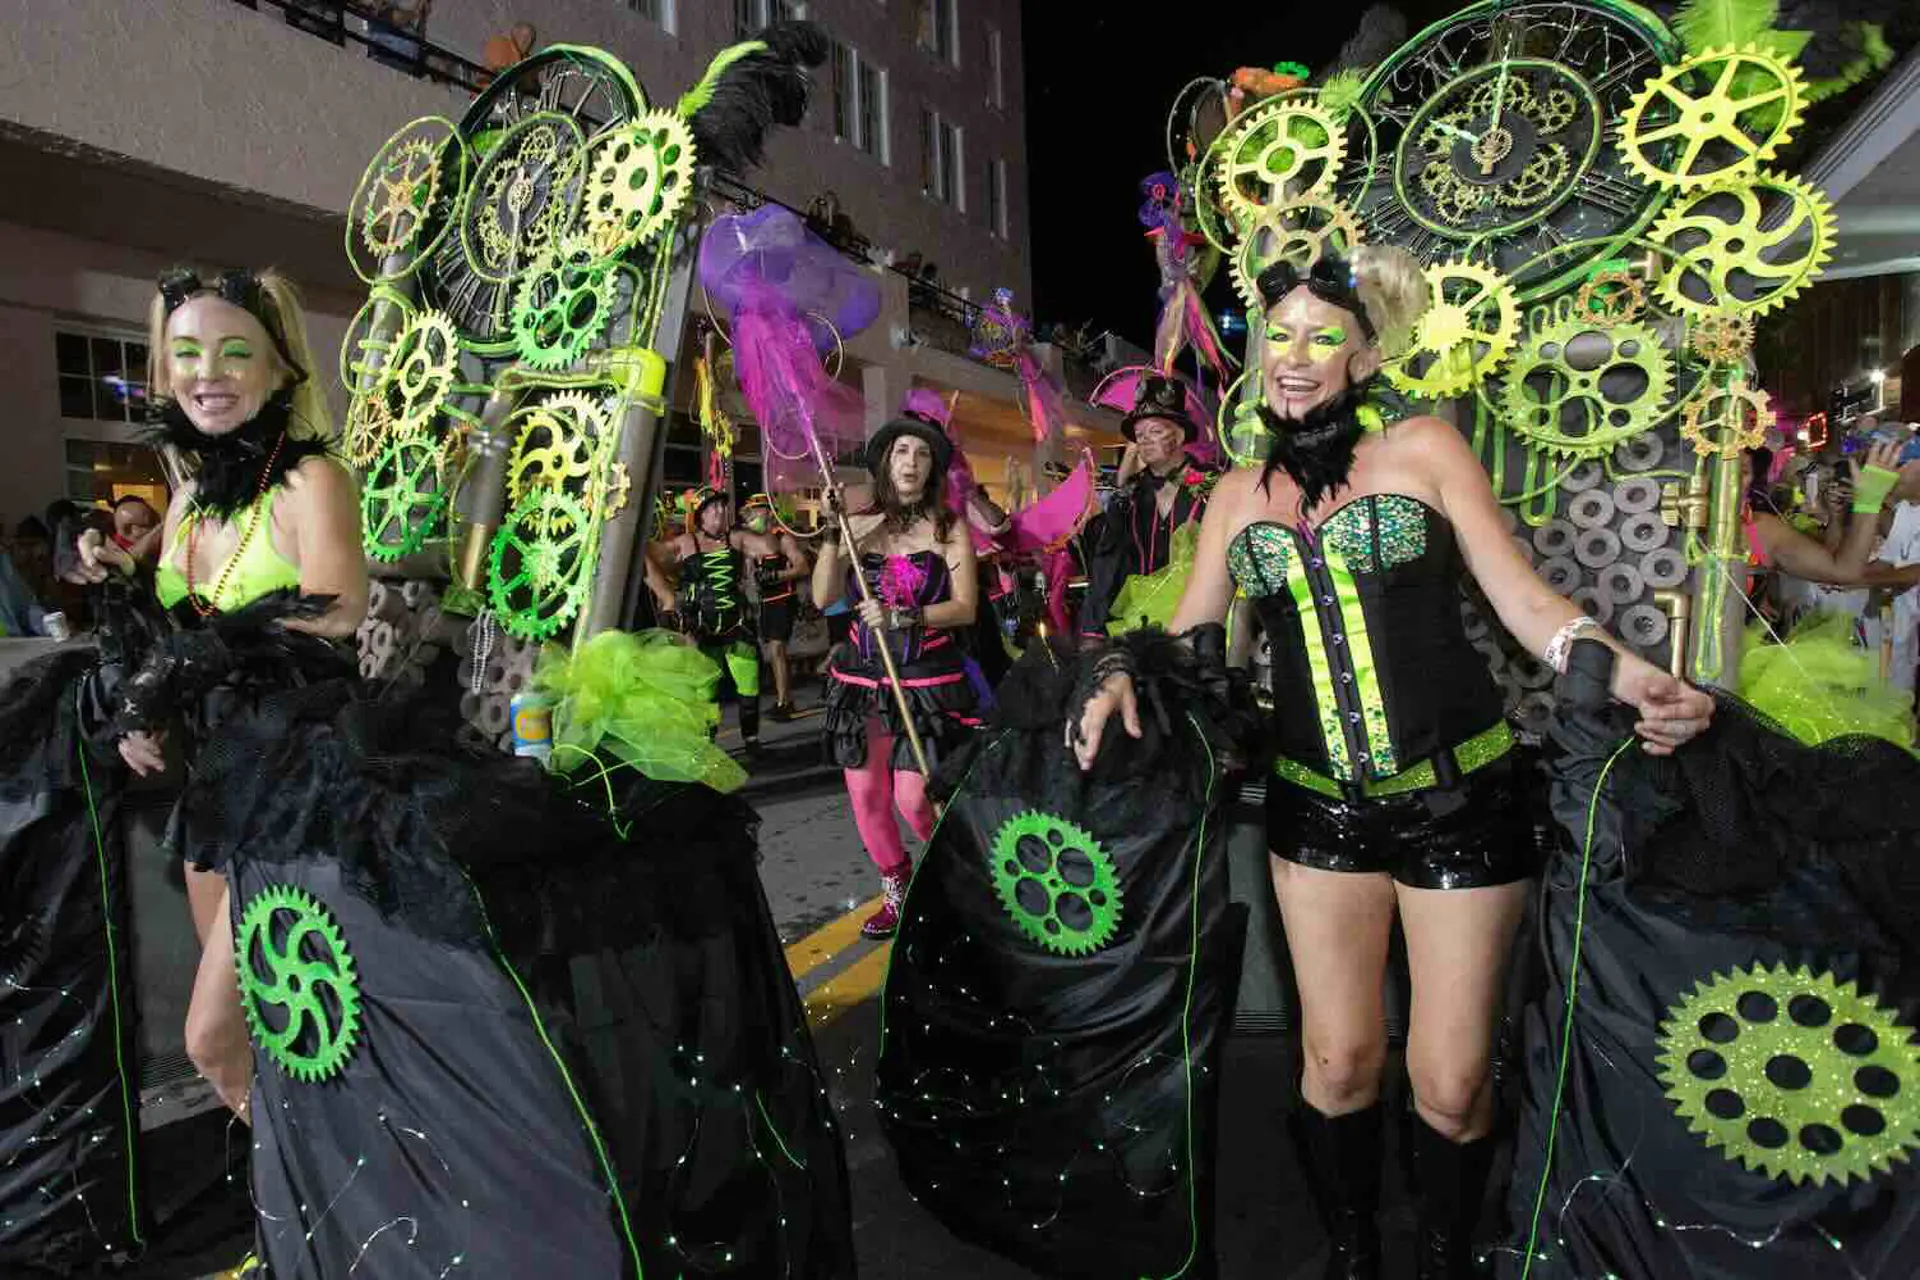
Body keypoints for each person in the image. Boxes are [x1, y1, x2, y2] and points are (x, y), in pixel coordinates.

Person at [1072, 248, 1716, 1279]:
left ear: (1364, 358)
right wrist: (1119, 673)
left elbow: (1527, 602)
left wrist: (1633, 676)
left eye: (1322, 336)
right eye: (1279, 335)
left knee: (1451, 1083)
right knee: (1336, 1064)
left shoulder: (1423, 450)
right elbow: (1195, 640)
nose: (1295, 355)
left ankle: (1446, 1255)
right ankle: (1354, 1252)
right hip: (1316, 812)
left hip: (1462, 801)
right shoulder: (1235, 494)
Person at [68, 267, 367, 1125]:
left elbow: (338, 609)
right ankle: (295, 1177)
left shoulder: (311, 480)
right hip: (210, 787)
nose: (210, 373)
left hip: (293, 782)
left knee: (212, 1041)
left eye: (236, 352)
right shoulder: (192, 499)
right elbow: (177, 623)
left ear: (279, 368)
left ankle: (313, 1178)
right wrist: (129, 617)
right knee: (265, 1029)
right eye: (188, 353)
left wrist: (184, 665)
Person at [814, 415, 981, 937]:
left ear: (932, 469)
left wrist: (902, 617)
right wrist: (831, 531)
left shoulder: (949, 528)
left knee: (915, 800)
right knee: (866, 795)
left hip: (924, 679)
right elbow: (822, 597)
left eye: (922, 453)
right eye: (902, 450)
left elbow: (966, 608)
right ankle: (896, 884)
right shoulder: (858, 525)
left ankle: (956, 878)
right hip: (862, 680)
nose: (911, 461)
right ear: (887, 461)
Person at [1078, 373, 1216, 640]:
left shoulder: (1214, 485)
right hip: (1140, 627)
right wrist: (1092, 632)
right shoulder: (1128, 496)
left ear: (1179, 435)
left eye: (1155, 431)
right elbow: (1107, 566)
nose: (1144, 440)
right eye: (1139, 435)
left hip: (1201, 625)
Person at [650, 489, 781, 752]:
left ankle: (751, 739)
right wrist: (669, 591)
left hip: (736, 624)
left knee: (749, 685)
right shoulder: (685, 542)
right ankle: (707, 744)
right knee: (706, 691)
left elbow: (771, 548)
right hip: (701, 628)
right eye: (713, 508)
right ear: (700, 515)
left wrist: (762, 523)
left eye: (722, 506)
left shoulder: (737, 537)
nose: (720, 511)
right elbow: (649, 557)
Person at [742, 492, 812, 720]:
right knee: (773, 653)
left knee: (777, 650)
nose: (754, 516)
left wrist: (776, 575)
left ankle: (784, 703)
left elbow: (802, 567)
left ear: (769, 512)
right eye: (751, 512)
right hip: (766, 602)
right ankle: (784, 698)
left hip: (783, 599)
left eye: (758, 510)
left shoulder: (783, 538)